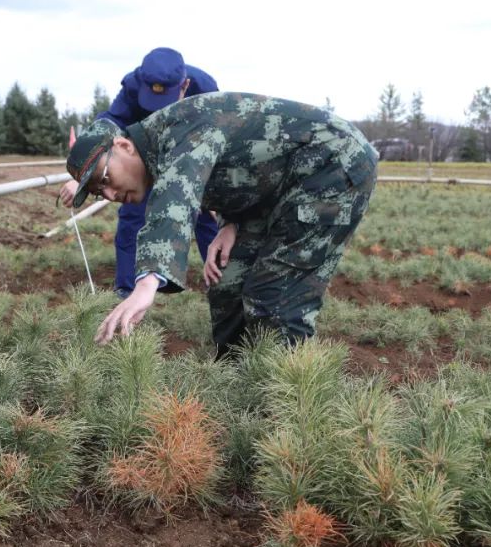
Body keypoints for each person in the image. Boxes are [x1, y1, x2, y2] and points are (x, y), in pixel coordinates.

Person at [66, 92, 378, 357]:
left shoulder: (178, 130)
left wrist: (147, 281)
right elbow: (239, 169)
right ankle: (232, 382)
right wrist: (230, 223)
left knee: (274, 297)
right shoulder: (160, 150)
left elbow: (176, 195)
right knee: (227, 281)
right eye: (96, 192)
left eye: (104, 179)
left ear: (124, 146)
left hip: (332, 165)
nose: (108, 193)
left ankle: (289, 406)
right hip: (284, 184)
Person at [59, 48, 220, 297]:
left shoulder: (204, 87)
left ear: (184, 85)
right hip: (142, 163)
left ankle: (223, 283)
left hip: (189, 159)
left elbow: (219, 135)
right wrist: (83, 175)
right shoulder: (133, 85)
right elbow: (112, 121)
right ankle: (127, 288)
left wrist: (211, 185)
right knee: (132, 214)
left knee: (207, 215)